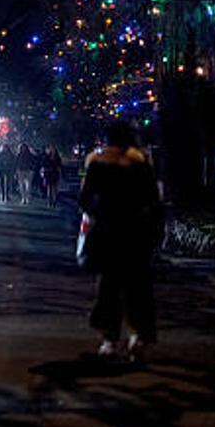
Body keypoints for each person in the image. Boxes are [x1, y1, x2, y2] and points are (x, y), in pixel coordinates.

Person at [79, 122, 164, 361]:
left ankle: (110, 339)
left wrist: (99, 212)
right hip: (137, 234)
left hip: (107, 233)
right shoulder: (141, 163)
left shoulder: (97, 163)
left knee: (109, 287)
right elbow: (153, 201)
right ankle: (138, 336)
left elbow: (85, 200)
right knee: (138, 287)